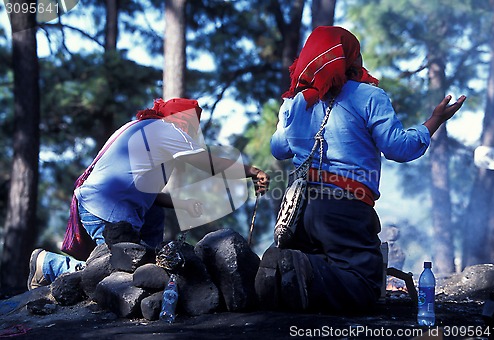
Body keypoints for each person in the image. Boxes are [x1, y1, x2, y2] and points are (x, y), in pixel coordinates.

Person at [254, 26, 466, 313]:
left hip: (301, 210)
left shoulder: (295, 103)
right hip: (346, 206)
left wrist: (287, 115)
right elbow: (398, 148)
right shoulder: (368, 96)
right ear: (349, 57)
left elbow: (279, 149)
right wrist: (434, 121)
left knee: (317, 283)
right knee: (363, 284)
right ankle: (301, 267)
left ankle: (288, 266)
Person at [28, 98, 270, 290]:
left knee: (147, 238)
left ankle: (150, 261)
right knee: (118, 273)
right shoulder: (166, 130)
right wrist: (250, 170)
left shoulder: (143, 130)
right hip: (107, 210)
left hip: (99, 205)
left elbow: (147, 194)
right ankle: (51, 265)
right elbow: (204, 161)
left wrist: (182, 204)